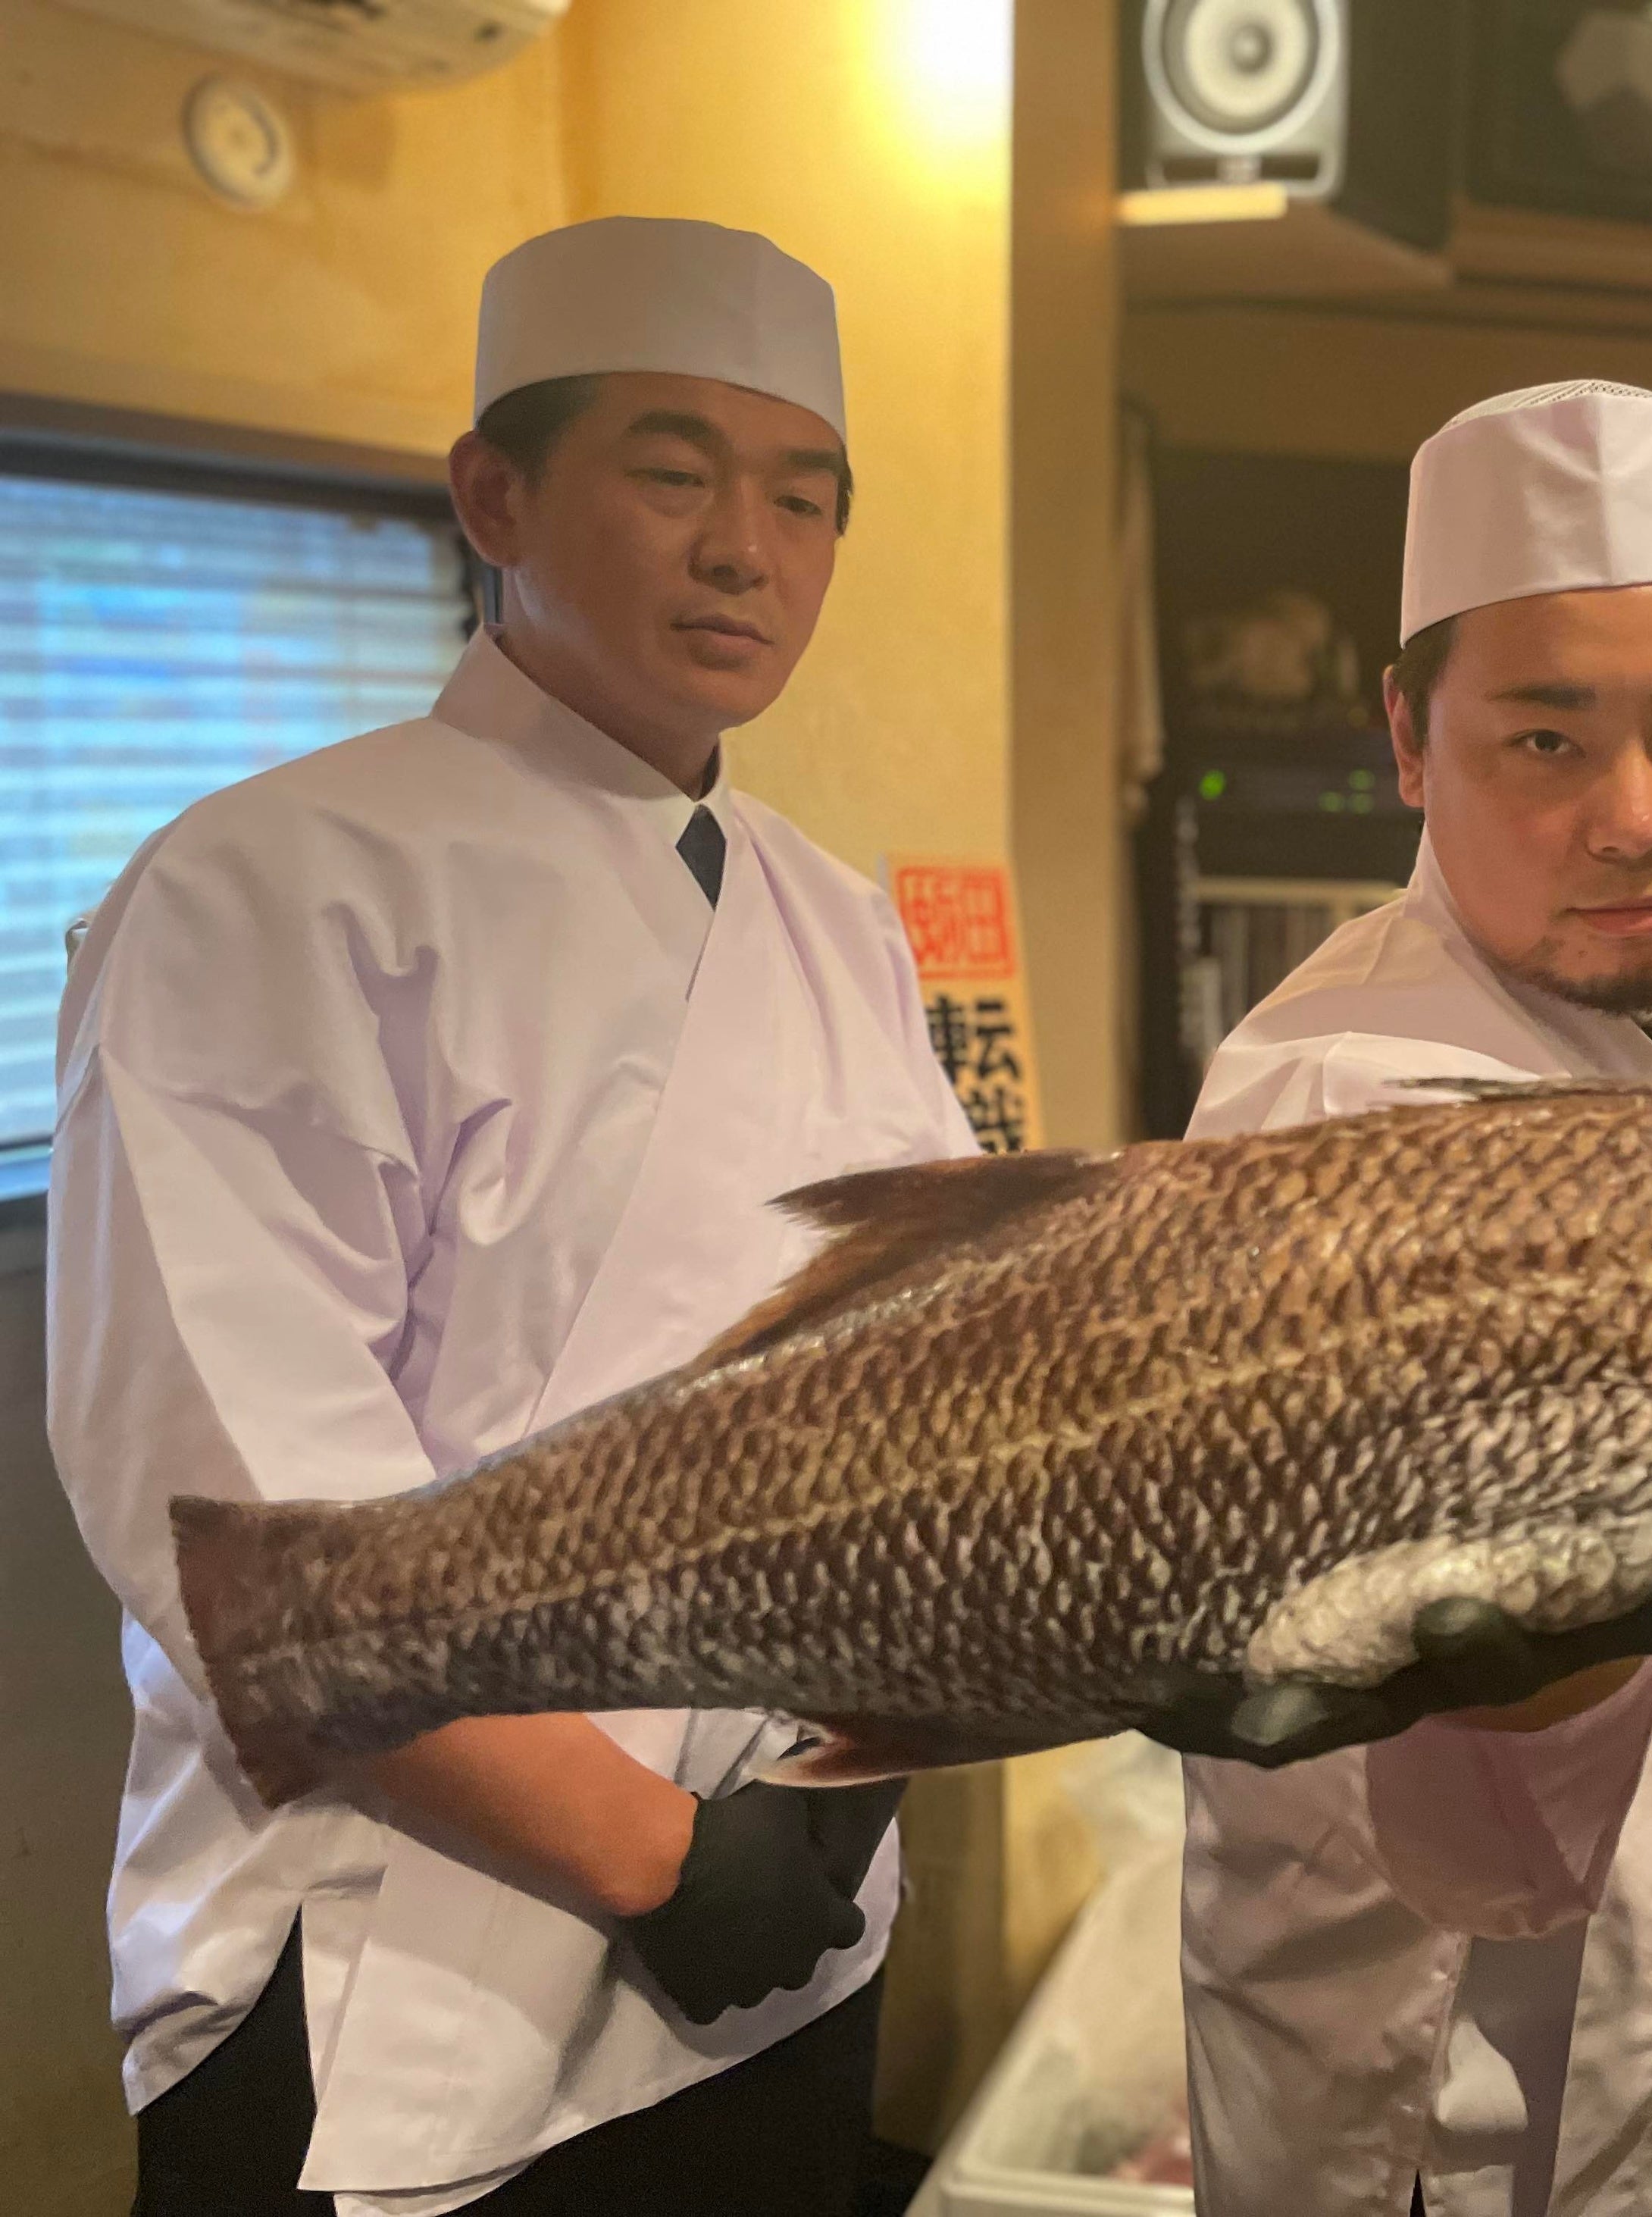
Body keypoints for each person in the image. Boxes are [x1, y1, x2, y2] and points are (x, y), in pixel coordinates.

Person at [48, 217, 986, 2217]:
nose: (747, 545)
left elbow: (922, 1381)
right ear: (495, 494)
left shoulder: (834, 909)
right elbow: (248, 1519)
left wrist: (842, 1780)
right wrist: (653, 1850)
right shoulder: (263, 887)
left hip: (785, 1916)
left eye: (804, 496)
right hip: (415, 1943)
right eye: (673, 473)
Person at [1176, 380, 1652, 2217]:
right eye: (1543, 741)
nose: (1635, 820)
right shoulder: (1325, 1103)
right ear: (1412, 741)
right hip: (1453, 2076)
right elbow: (1468, 1754)